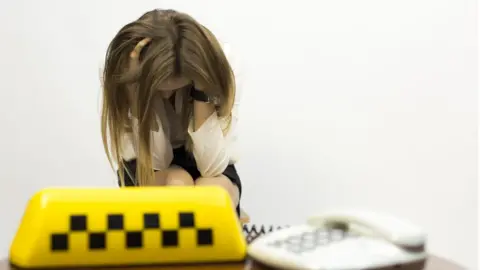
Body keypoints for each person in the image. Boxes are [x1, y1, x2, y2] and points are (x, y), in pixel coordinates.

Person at [100, 9, 242, 215]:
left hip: (208, 160)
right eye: (160, 89)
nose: (166, 95)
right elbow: (157, 161)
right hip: (146, 163)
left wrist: (204, 90)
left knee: (212, 193)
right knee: (177, 184)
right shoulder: (124, 71)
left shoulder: (223, 64)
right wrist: (138, 90)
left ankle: (206, 245)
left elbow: (211, 168)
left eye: (176, 88)